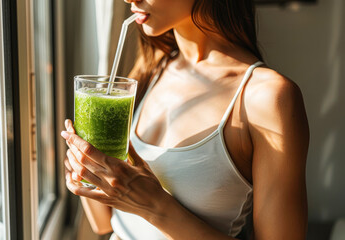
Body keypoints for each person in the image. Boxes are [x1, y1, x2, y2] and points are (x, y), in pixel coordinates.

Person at [61, 0, 310, 239]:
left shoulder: (267, 98)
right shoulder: (153, 68)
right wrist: (84, 169)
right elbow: (105, 223)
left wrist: (155, 206)